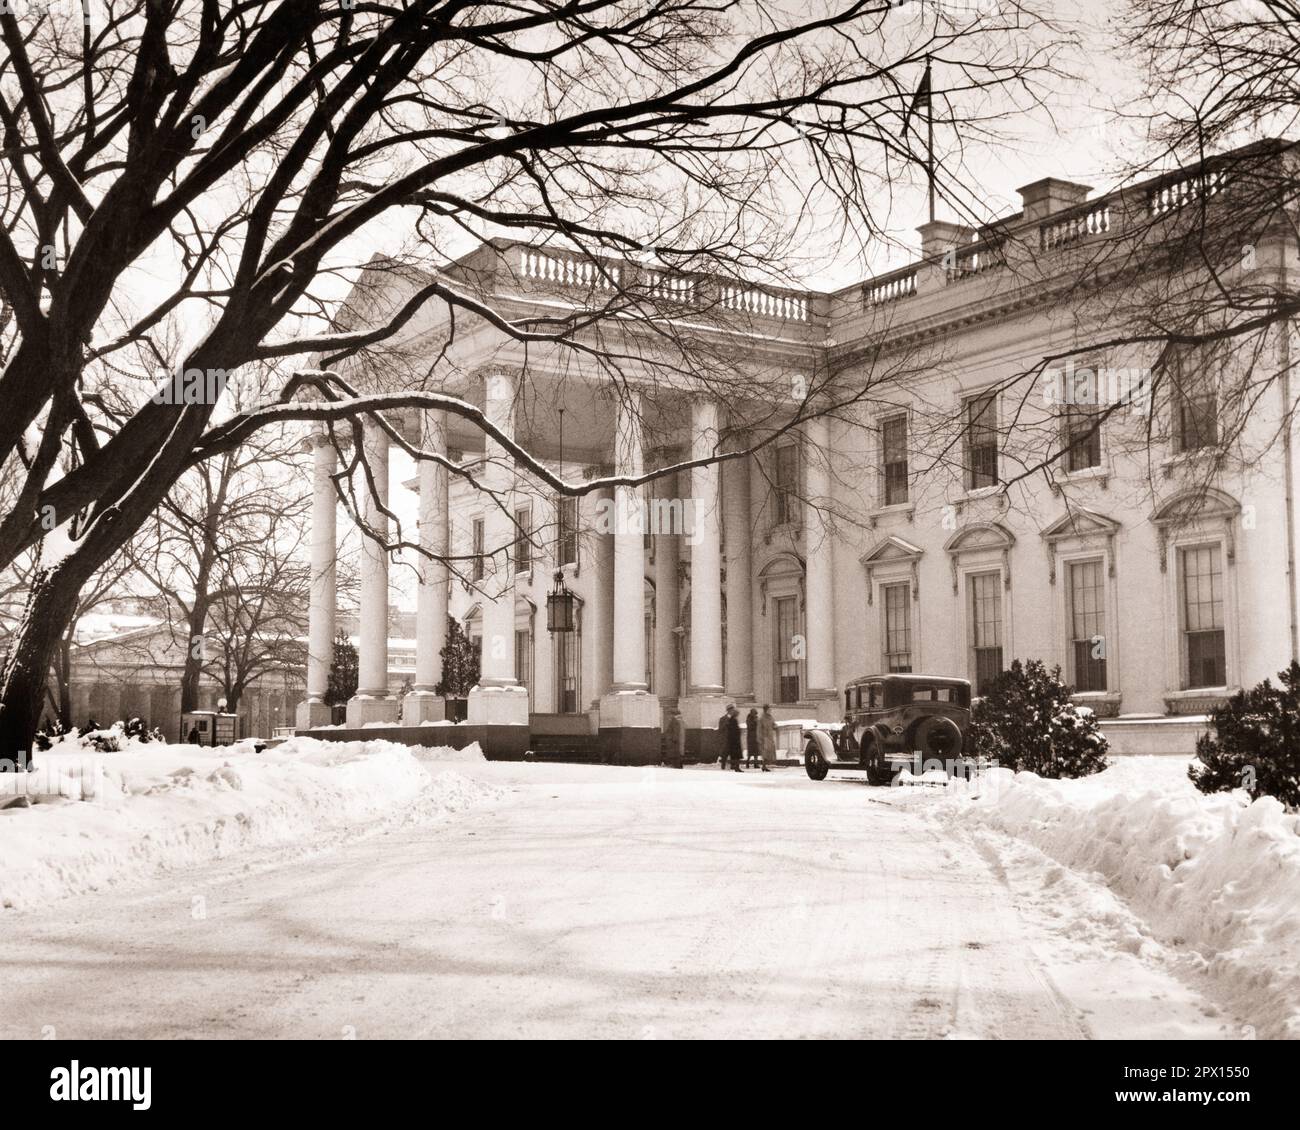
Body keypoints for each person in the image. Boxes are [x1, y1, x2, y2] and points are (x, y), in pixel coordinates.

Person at [718, 704, 743, 772]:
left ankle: (733, 765)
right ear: (728, 710)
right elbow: (721, 728)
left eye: (733, 709)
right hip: (726, 738)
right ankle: (723, 765)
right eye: (731, 710)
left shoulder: (734, 718)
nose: (732, 711)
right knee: (725, 752)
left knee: (733, 752)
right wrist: (726, 724)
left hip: (732, 738)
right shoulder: (723, 719)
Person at [758, 704, 777, 772]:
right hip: (764, 737)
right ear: (765, 710)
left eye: (770, 710)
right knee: (765, 753)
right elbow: (759, 729)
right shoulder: (762, 718)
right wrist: (760, 738)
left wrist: (775, 726)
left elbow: (773, 724)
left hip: (770, 737)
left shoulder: (771, 717)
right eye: (769, 710)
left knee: (769, 752)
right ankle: (764, 766)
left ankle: (764, 765)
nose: (770, 711)